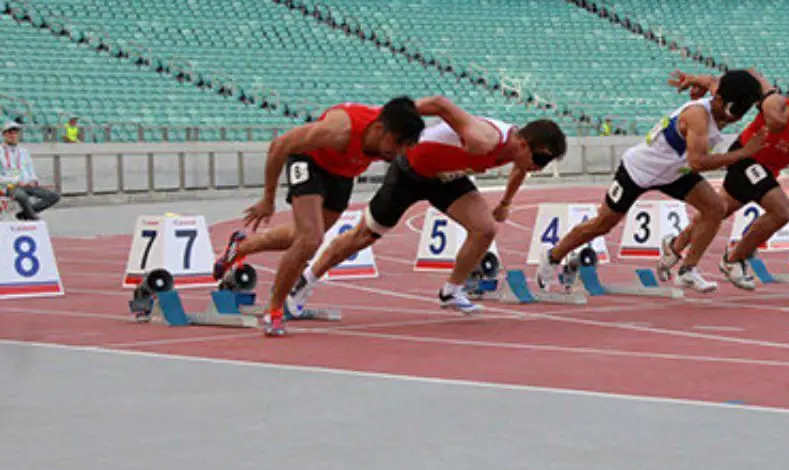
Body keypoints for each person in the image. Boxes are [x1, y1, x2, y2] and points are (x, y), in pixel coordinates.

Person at [287, 114, 567, 318]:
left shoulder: (516, 153)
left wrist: (505, 202)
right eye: (539, 161)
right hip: (410, 171)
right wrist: (406, 114)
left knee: (485, 229)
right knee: (363, 237)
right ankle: (307, 279)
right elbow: (441, 105)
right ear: (524, 144)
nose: (539, 169)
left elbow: (520, 170)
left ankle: (451, 291)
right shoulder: (487, 138)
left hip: (445, 179)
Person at [536, 69, 766, 293]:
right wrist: (745, 152)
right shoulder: (697, 116)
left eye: (739, 112)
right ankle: (552, 256)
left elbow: (713, 81)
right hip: (639, 171)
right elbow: (698, 162)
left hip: (674, 173)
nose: (732, 117)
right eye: (731, 110)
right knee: (602, 225)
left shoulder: (722, 94)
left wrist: (693, 79)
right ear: (719, 99)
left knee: (716, 208)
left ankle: (687, 269)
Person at [213, 97, 426, 336]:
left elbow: (427, 106)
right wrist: (268, 199)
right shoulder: (338, 130)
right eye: (397, 144)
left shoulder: (389, 133)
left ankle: (241, 247)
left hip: (343, 173)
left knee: (300, 236)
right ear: (379, 129)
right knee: (311, 240)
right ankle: (274, 311)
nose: (398, 152)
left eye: (404, 146)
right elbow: (280, 146)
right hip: (309, 161)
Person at [663, 72, 789, 290]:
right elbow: (746, 81)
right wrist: (701, 81)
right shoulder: (781, 108)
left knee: (717, 211)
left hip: (766, 170)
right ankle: (733, 259)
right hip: (746, 158)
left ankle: (674, 247)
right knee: (782, 211)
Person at [1, 121, 61, 220]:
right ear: (4, 135)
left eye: (15, 133)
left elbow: (30, 170)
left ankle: (25, 214)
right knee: (22, 196)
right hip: (9, 186)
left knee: (54, 196)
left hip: (27, 185)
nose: (13, 135)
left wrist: (33, 181)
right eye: (9, 133)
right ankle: (33, 217)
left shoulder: (24, 152)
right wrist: (15, 182)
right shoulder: (1, 152)